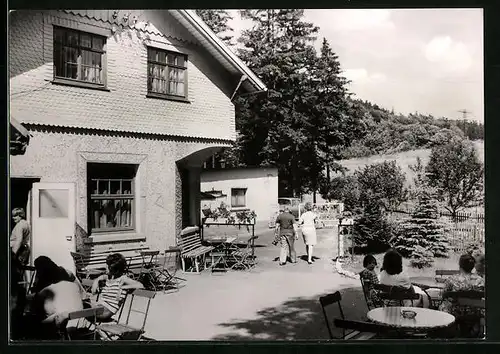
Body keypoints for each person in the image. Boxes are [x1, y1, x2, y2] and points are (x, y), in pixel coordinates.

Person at [27, 256, 85, 339]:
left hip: (63, 322)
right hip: (79, 319)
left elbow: (36, 303)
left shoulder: (48, 288)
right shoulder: (70, 280)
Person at [89, 253, 144, 322]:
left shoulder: (123, 279)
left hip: (106, 311)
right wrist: (96, 282)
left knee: (81, 306)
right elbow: (100, 278)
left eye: (108, 266)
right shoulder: (109, 277)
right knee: (81, 304)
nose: (106, 267)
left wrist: (124, 287)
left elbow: (140, 285)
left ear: (114, 269)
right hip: (100, 307)